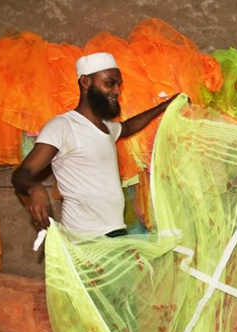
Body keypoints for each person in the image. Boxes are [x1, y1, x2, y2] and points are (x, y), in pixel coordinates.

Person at [12, 52, 178, 237]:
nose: (117, 91)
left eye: (118, 85)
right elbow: (22, 173)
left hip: (115, 230)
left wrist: (166, 106)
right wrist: (35, 188)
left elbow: (128, 127)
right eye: (110, 83)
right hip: (85, 237)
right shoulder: (63, 126)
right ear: (85, 82)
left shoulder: (106, 127)